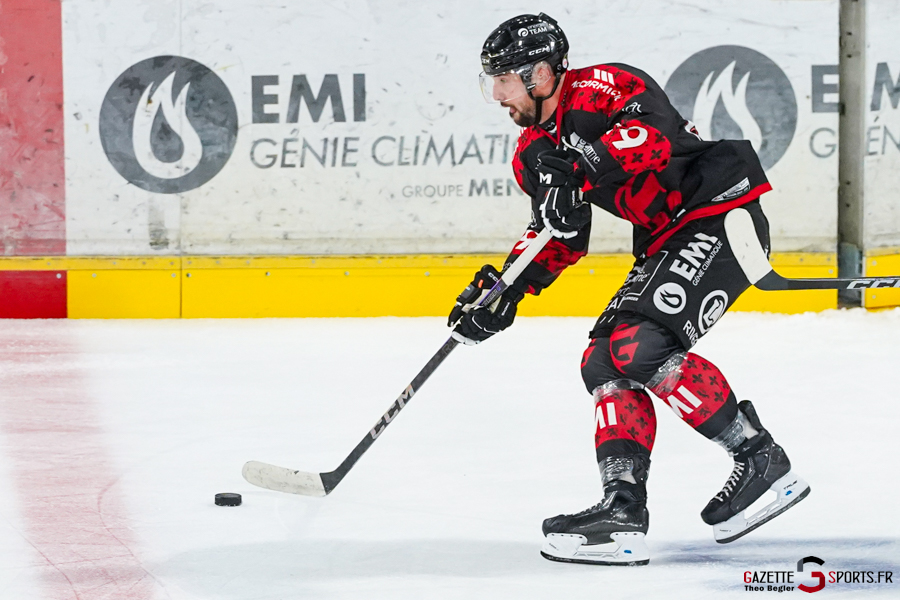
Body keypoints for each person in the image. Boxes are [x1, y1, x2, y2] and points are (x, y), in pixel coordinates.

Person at [447, 13, 810, 566]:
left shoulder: (604, 86)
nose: (496, 94)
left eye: (503, 79)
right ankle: (621, 509)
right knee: (603, 362)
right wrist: (507, 289)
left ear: (541, 75)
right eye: (490, 81)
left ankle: (760, 457)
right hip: (667, 238)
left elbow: (652, 139)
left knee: (640, 346)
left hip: (719, 215)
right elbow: (561, 234)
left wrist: (580, 164)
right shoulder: (532, 153)